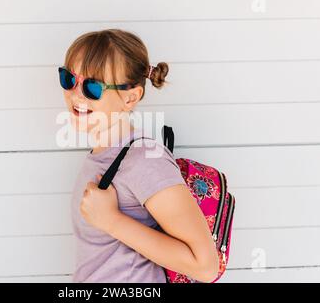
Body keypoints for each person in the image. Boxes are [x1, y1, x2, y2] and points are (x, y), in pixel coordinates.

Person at [58, 29, 219, 283]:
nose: (76, 95)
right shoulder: (102, 155)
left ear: (130, 97)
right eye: (69, 79)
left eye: (92, 86)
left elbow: (206, 266)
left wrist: (111, 221)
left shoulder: (144, 159)